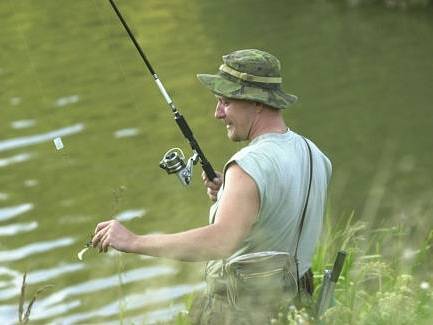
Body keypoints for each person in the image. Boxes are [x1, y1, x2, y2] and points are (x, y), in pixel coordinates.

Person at [92, 49, 332, 324]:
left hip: (244, 313)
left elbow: (220, 242)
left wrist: (132, 241)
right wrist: (229, 196)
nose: (217, 113)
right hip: (297, 308)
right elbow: (282, 218)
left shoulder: (247, 164)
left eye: (225, 102)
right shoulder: (315, 155)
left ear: (256, 103)